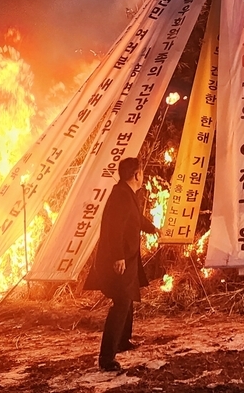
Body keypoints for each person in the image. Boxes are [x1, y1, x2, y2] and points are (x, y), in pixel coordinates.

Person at [84, 157, 159, 372]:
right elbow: (113, 229)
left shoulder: (128, 194)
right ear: (136, 175)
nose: (143, 176)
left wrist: (153, 229)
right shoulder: (120, 197)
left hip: (128, 259)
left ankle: (123, 341)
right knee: (122, 302)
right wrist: (118, 257)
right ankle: (106, 358)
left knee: (129, 296)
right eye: (142, 172)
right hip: (118, 261)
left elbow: (136, 219)